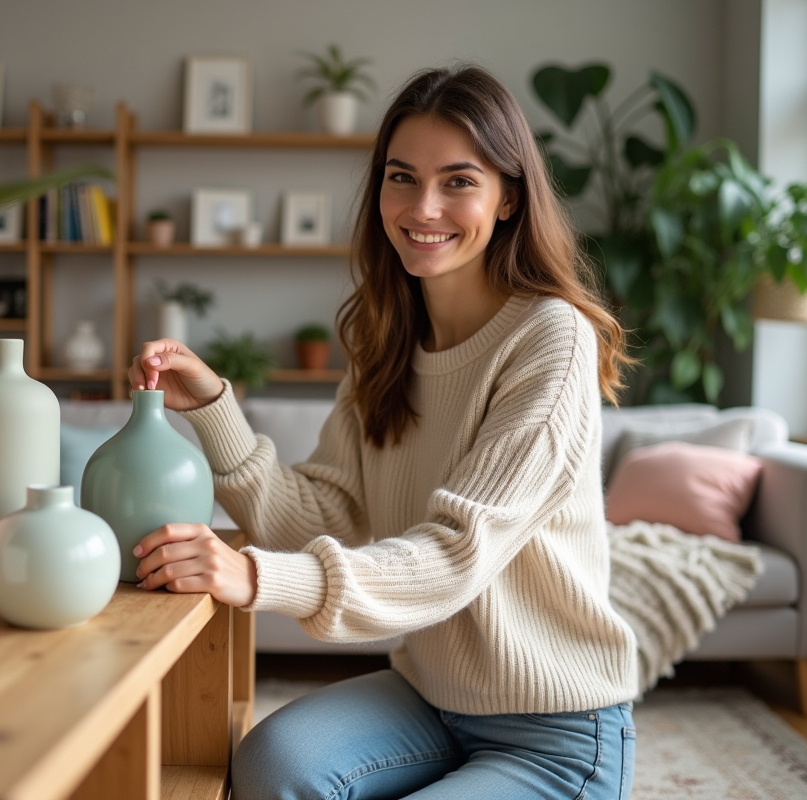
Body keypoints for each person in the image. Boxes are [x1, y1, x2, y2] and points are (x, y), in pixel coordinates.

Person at [127, 65, 639, 800]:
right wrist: (213, 406)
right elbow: (318, 513)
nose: (422, 206)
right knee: (270, 765)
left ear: (508, 199)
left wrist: (257, 578)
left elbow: (457, 552)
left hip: (558, 731)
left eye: (458, 181)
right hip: (430, 699)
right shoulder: (385, 339)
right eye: (403, 177)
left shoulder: (550, 337)